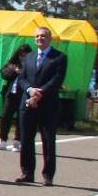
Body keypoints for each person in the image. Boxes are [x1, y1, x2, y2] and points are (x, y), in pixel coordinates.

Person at [16, 26, 67, 186]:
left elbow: (57, 79)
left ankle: (48, 174)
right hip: (27, 103)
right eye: (37, 36)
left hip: (48, 104)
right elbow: (22, 79)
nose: (40, 39)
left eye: (43, 36)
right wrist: (31, 91)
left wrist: (40, 93)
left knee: (48, 140)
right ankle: (27, 172)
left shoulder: (59, 57)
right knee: (26, 139)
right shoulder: (28, 57)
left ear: (49, 38)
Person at [0, 44, 31, 151]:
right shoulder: (13, 64)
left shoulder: (31, 65)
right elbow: (4, 74)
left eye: (25, 55)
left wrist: (23, 72)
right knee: (5, 117)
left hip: (23, 95)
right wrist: (14, 70)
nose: (22, 57)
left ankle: (18, 141)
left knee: (21, 119)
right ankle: (2, 140)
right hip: (10, 94)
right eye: (20, 55)